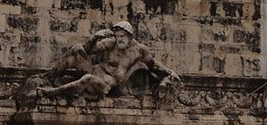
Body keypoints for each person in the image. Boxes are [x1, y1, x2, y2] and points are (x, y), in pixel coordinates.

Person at [37, 21, 176, 102]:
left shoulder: (138, 50)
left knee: (87, 78)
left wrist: (169, 73)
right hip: (95, 71)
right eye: (118, 36)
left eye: (123, 36)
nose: (119, 39)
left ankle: (52, 92)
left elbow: (154, 65)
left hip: (106, 86)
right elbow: (88, 50)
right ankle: (48, 77)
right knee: (77, 49)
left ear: (130, 36)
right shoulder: (111, 44)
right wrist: (94, 38)